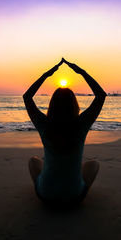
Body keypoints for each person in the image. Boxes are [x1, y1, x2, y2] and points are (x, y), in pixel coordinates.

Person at [23, 58, 106, 206]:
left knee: (33, 161)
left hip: (45, 196)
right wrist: (81, 72)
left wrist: (46, 74)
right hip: (74, 198)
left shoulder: (44, 124)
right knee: (94, 164)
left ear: (52, 104)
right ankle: (72, 185)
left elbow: (27, 97)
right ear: (74, 104)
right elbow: (100, 96)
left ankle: (49, 185)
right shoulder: (81, 124)